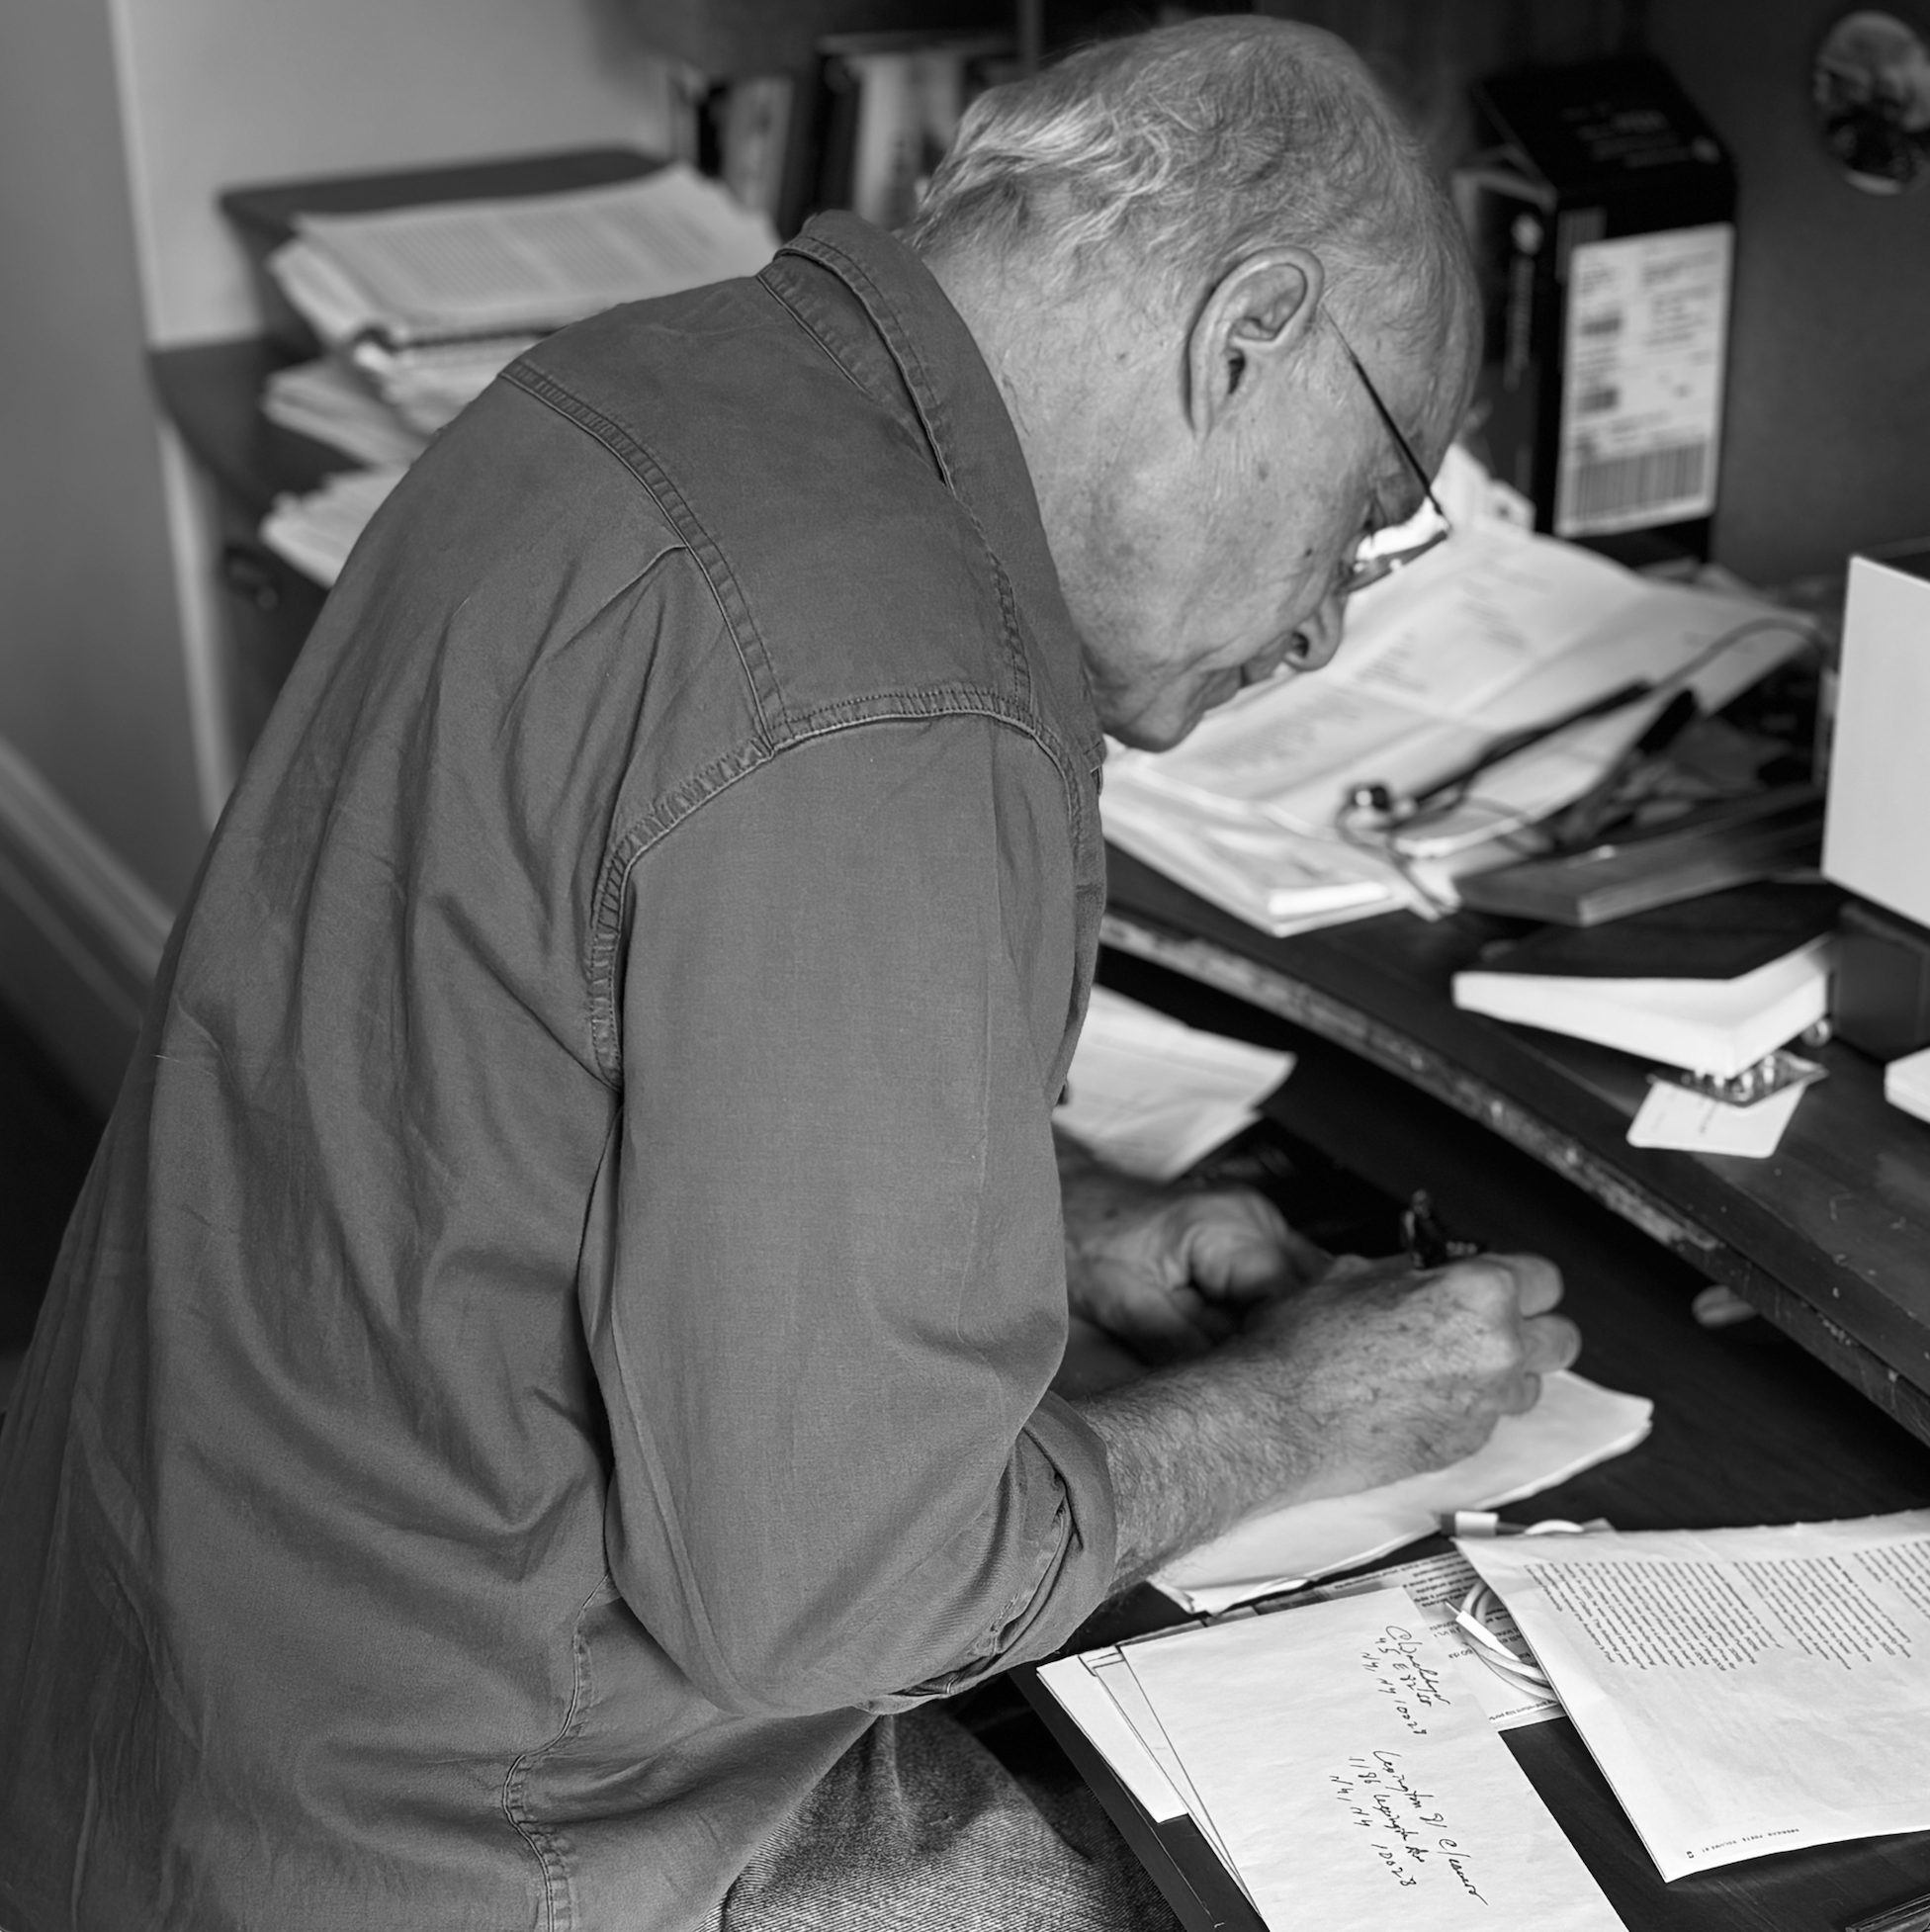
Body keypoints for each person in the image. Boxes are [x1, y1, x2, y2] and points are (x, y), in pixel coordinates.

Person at [0, 18, 1578, 1931]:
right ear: (1246, 331)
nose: (1324, 618)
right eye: (1365, 508)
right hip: (475, 1826)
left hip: (156, 1664)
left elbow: (533, 1061)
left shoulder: (630, 391)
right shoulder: (895, 698)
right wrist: (1290, 1412)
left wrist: (1043, 1215)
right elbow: (837, 1593)